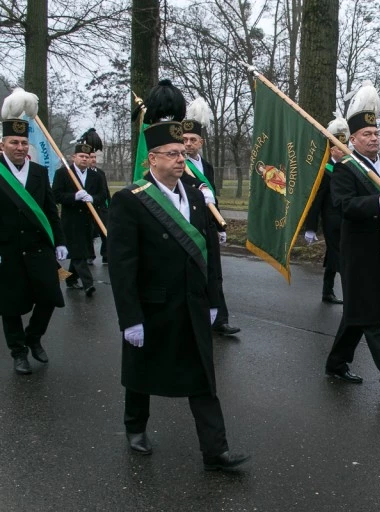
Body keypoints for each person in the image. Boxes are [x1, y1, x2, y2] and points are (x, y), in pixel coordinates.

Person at [107, 80, 248, 472]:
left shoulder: (196, 192)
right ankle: (135, 427)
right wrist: (129, 318)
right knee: (141, 371)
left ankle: (215, 450)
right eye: (171, 154)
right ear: (151, 159)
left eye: (182, 153)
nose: (180, 159)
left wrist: (215, 302)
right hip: (153, 304)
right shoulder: (129, 201)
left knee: (203, 377)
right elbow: (122, 267)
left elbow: (210, 257)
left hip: (192, 302)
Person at [324, 82, 380, 400]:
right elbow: (344, 206)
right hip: (359, 254)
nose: (374, 138)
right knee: (370, 319)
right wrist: (378, 202)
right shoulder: (345, 168)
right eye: (367, 134)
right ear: (353, 139)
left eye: (376, 133)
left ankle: (336, 362)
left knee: (357, 314)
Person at [0, 117, 68, 374]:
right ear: (3, 144)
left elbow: (49, 210)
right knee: (11, 306)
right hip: (6, 250)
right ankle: (18, 351)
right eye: (14, 142)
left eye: (23, 143)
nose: (20, 147)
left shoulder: (40, 172)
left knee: (50, 297)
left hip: (38, 248)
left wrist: (60, 240)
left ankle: (33, 336)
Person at [182, 99, 241, 337]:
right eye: (184, 140)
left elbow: (212, 197)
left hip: (208, 225)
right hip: (189, 226)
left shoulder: (206, 166)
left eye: (192, 140)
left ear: (201, 142)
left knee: (215, 273)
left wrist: (220, 226)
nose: (188, 144)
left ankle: (219, 319)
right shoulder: (178, 165)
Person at [303, 116, 348, 305]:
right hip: (331, 221)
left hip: (347, 218)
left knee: (333, 255)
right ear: (331, 148)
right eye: (338, 146)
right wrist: (311, 227)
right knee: (341, 256)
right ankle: (351, 293)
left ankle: (326, 292)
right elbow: (316, 200)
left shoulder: (349, 164)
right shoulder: (325, 169)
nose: (341, 150)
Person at [52, 141, 106, 296]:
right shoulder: (63, 174)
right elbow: (56, 195)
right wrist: (74, 196)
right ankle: (88, 284)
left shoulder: (96, 176)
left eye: (87, 157)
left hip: (88, 220)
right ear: (73, 157)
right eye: (81, 156)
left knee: (81, 251)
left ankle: (70, 279)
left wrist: (93, 198)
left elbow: (102, 195)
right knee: (78, 253)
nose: (84, 159)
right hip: (71, 220)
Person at [86, 132, 111, 264]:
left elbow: (106, 191)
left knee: (106, 230)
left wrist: (109, 204)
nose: (93, 160)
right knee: (90, 233)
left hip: (102, 207)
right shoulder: (84, 174)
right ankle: (90, 255)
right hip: (90, 207)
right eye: (91, 157)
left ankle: (106, 254)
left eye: (95, 157)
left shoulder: (100, 173)